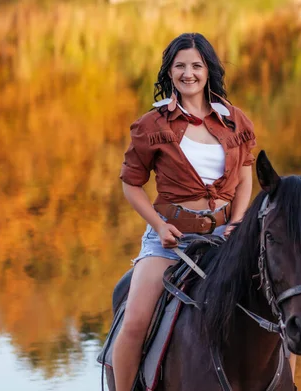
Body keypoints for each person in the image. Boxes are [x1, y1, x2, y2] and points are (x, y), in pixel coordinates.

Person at [112, 32, 264, 390]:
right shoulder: (153, 124)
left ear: (208, 70)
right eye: (180, 66)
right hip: (170, 239)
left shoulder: (235, 121)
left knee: (276, 308)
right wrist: (158, 227)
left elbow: (246, 177)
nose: (188, 73)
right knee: (135, 322)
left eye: (196, 65)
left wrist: (239, 222)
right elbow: (130, 184)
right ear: (170, 72)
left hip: (226, 238)